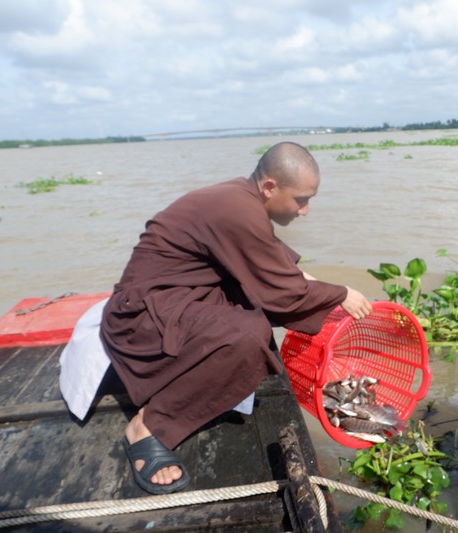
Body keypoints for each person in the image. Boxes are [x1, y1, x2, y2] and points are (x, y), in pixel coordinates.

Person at [100, 142, 372, 494]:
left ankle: (200, 385)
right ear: (270, 186)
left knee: (253, 312)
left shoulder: (242, 199)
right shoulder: (238, 210)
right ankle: (149, 426)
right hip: (139, 317)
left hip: (176, 298)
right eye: (301, 199)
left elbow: (281, 271)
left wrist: (342, 294)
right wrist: (340, 294)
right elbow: (282, 291)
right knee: (248, 335)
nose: (305, 211)